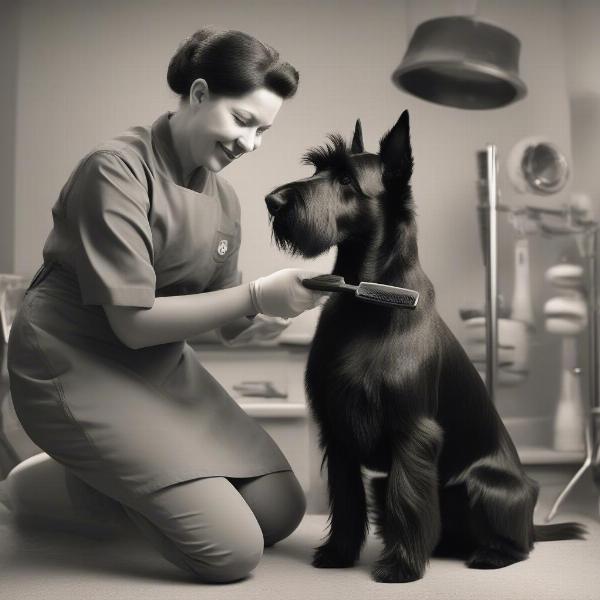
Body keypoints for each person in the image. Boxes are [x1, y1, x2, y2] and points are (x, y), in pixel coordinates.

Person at [6, 28, 327, 584]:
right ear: (199, 94)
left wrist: (278, 311)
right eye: (243, 121)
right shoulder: (115, 170)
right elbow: (131, 324)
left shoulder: (222, 195)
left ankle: (108, 474)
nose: (250, 144)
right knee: (231, 552)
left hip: (156, 368)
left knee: (280, 509)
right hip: (71, 361)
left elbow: (223, 321)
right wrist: (253, 295)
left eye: (264, 131)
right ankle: (26, 488)